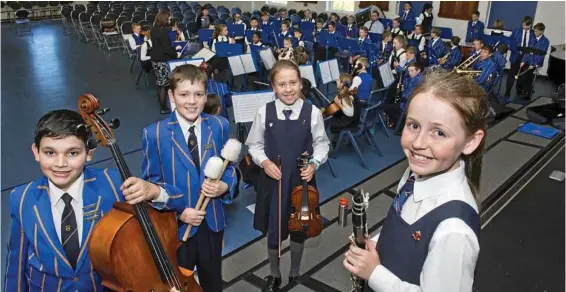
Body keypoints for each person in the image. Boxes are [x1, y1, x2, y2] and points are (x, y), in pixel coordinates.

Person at [344, 70, 487, 292]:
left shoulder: (453, 231)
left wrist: (374, 274)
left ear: (470, 142)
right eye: (413, 125)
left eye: (439, 133)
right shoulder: (414, 175)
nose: (418, 143)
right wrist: (377, 243)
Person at [3, 109, 159, 291]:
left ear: (89, 152)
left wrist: (155, 191)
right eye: (50, 153)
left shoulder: (114, 183)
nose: (60, 163)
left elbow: (173, 203)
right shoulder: (21, 199)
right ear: (36, 152)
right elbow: (16, 264)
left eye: (72, 153)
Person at [140, 64, 237, 292]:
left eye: (198, 95)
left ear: (206, 97)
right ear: (172, 96)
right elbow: (151, 186)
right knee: (178, 284)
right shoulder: (154, 134)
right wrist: (179, 211)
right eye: (184, 95)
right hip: (176, 228)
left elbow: (231, 167)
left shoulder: (219, 125)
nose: (191, 101)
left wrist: (225, 185)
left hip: (212, 223)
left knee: (213, 281)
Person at [246, 60, 330, 292]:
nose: (288, 88)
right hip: (273, 181)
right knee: (274, 229)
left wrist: (314, 163)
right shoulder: (264, 112)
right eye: (282, 84)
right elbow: (254, 145)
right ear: (273, 86)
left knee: (299, 228)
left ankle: (295, 270)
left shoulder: (312, 112)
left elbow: (322, 144)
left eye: (293, 82)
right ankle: (274, 273)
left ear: (301, 84)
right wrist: (264, 162)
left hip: (300, 183)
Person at [150, 10, 181, 114]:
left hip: (154, 59)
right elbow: (166, 49)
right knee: (164, 84)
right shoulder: (162, 32)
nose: (169, 20)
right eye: (168, 18)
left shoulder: (154, 29)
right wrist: (176, 54)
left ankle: (162, 104)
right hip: (162, 60)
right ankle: (163, 108)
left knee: (160, 82)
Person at [517, 22, 549, 99]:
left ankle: (527, 92)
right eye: (534, 31)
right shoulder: (532, 38)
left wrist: (534, 64)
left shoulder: (545, 41)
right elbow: (528, 51)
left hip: (536, 61)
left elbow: (541, 54)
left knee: (527, 74)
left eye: (536, 31)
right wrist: (523, 61)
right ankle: (521, 89)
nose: (534, 33)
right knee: (521, 72)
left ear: (542, 31)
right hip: (528, 59)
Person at [505, 16, 534, 98]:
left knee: (521, 75)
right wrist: (514, 47)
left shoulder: (533, 34)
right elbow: (509, 42)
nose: (524, 27)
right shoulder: (516, 31)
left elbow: (534, 46)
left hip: (526, 57)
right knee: (511, 74)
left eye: (526, 26)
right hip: (516, 56)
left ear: (530, 25)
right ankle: (508, 91)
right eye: (523, 25)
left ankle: (518, 90)